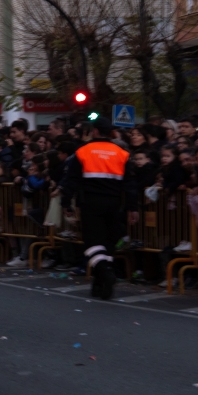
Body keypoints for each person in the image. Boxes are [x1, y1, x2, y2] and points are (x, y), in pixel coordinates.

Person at [60, 118, 138, 300]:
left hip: (90, 202)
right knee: (107, 243)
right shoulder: (122, 154)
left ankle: (105, 274)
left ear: (94, 132)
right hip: (114, 202)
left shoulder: (83, 152)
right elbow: (130, 184)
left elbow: (71, 180)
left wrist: (66, 203)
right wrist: (133, 207)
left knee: (92, 243)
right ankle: (100, 285)